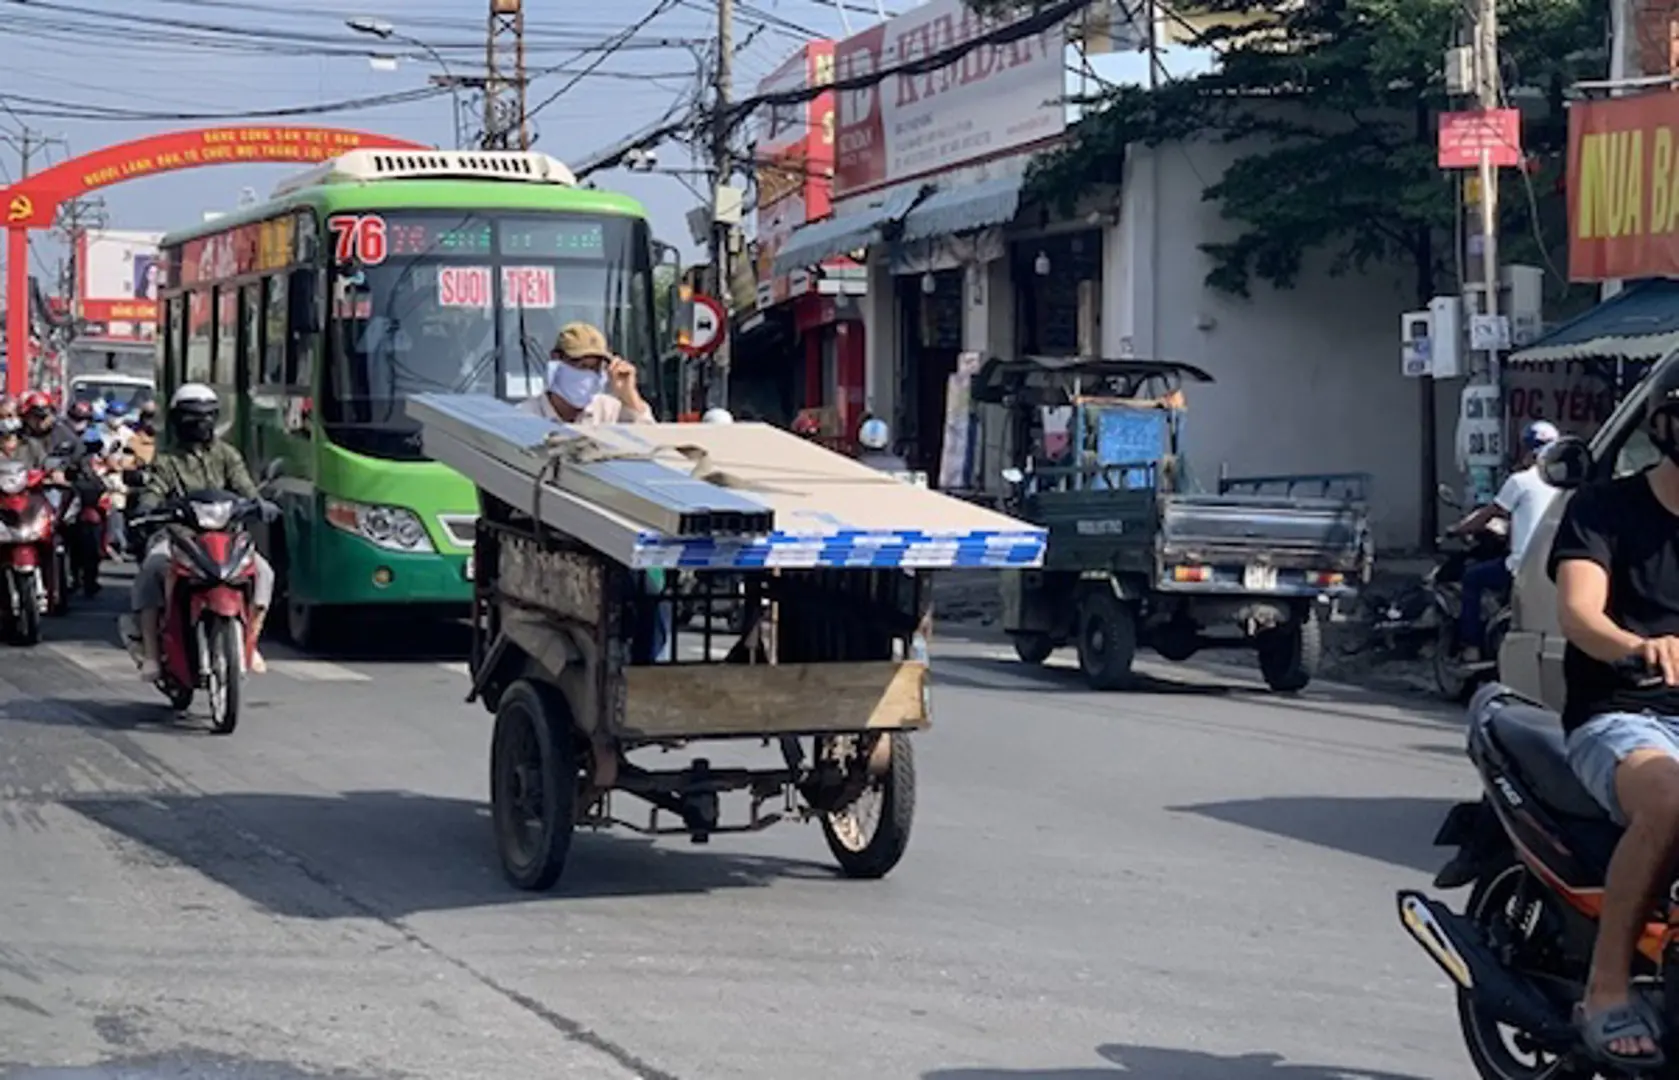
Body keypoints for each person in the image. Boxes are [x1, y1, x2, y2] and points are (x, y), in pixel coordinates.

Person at [1551, 362, 1679, 1068]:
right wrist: (1638, 647)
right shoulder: (1603, 509)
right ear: (1665, 426)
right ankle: (1606, 987)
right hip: (1624, 713)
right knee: (1670, 799)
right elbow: (1577, 612)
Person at [130, 383, 278, 680]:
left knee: (263, 572)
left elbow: (246, 490)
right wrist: (148, 508)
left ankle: (251, 642)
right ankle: (150, 651)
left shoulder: (228, 455)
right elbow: (153, 490)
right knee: (152, 567)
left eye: (206, 417)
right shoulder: (167, 460)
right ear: (177, 421)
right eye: (191, 418)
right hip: (179, 536)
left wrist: (260, 506)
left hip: (227, 537)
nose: (200, 424)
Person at [1445, 420, 1562, 659]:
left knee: (1472, 578)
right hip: (1556, 566)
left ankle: (1471, 647)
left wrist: (1457, 529)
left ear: (1527, 450)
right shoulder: (1566, 483)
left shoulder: (1521, 481)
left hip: (1523, 568)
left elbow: (1488, 514)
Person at [519, 322, 654, 425]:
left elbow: (650, 444)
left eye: (594, 368)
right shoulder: (524, 416)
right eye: (582, 366)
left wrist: (629, 395)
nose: (588, 376)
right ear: (556, 359)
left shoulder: (609, 411)